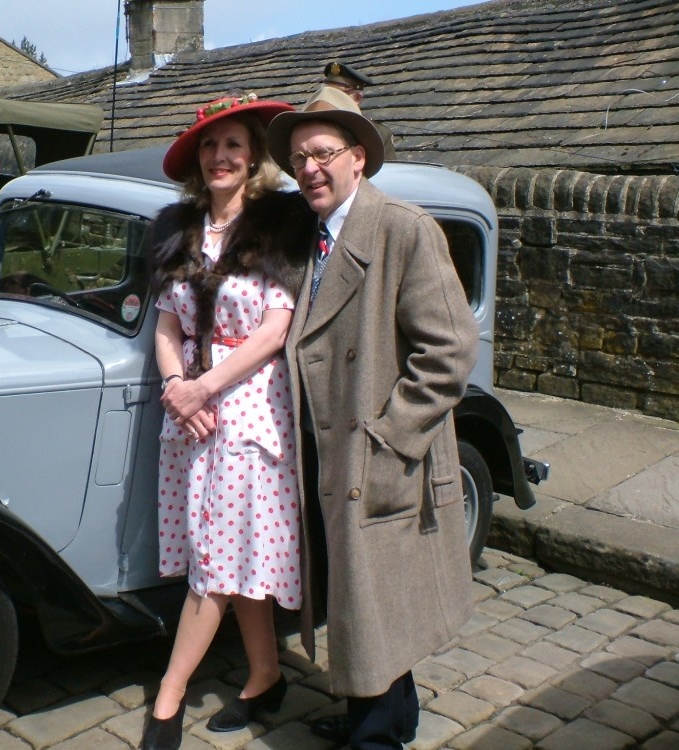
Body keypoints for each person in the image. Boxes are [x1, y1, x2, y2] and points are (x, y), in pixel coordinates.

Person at [265, 86, 478, 749]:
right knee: (366, 600)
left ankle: (375, 738)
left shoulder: (401, 229)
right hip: (329, 453)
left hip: (379, 450)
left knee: (370, 601)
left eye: (323, 153)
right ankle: (387, 714)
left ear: (358, 158)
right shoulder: (311, 237)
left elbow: (449, 352)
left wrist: (388, 441)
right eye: (299, 157)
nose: (309, 169)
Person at [140, 92, 313, 750]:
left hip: (246, 413)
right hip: (192, 415)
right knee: (234, 554)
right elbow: (166, 323)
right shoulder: (176, 228)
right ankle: (266, 674)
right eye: (210, 146)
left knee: (214, 562)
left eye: (233, 145)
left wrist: (206, 386)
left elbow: (275, 328)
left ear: (253, 158)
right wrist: (178, 385)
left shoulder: (277, 226)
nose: (221, 156)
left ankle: (169, 697)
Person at [317, 60, 396, 160]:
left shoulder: (377, 134)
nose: (328, 98)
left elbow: (388, 173)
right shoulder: (311, 128)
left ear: (357, 98)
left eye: (337, 94)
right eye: (326, 92)